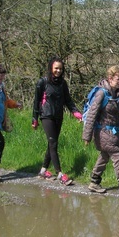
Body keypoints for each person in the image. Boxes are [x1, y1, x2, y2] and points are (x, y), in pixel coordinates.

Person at [82, 65, 119, 199]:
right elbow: (92, 114)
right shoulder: (102, 93)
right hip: (102, 132)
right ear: (110, 78)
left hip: (114, 132)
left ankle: (94, 181)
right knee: (118, 157)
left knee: (104, 156)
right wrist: (87, 136)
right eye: (118, 79)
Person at [32, 56, 82, 185]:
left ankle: (43, 170)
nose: (58, 71)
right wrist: (34, 118)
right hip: (46, 115)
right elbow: (36, 101)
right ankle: (60, 174)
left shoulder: (63, 83)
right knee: (53, 143)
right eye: (56, 68)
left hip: (58, 116)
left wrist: (76, 112)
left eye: (60, 68)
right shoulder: (42, 82)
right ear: (50, 68)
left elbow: (68, 100)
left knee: (52, 144)